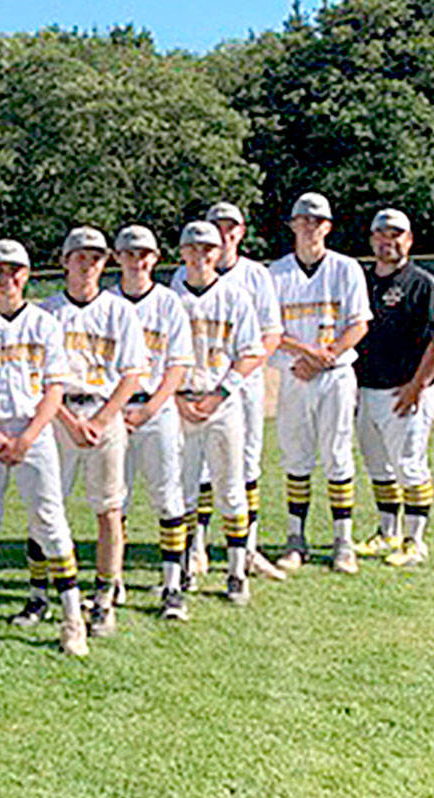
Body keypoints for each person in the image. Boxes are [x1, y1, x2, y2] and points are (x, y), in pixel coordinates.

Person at [0, 239, 84, 656]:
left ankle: (72, 619)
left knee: (50, 521)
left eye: (14, 270)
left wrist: (28, 436)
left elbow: (55, 387)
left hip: (36, 431)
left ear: (26, 275)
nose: (6, 278)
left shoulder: (44, 323)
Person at [40, 227, 147, 637]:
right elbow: (39, 376)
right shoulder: (48, 312)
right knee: (48, 507)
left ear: (106, 263)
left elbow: (132, 374)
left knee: (109, 509)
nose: (88, 265)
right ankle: (42, 592)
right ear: (65, 261)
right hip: (59, 414)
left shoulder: (119, 311)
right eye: (80, 257)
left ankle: (104, 596)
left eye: (96, 258)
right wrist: (67, 418)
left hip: (105, 415)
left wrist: (102, 420)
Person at [268, 193, 372, 574]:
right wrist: (308, 354)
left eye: (317, 221)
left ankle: (343, 541)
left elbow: (359, 323)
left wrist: (327, 355)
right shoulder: (275, 273)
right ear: (293, 225)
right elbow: (271, 329)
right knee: (296, 456)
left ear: (327, 226)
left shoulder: (346, 268)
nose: (309, 227)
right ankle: (296, 539)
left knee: (337, 455)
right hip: (295, 374)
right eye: (303, 220)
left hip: (336, 375)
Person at [352, 208, 434, 567]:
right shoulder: (360, 281)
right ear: (371, 240)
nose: (388, 241)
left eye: (396, 234)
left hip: (405, 391)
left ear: (408, 240)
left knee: (410, 466)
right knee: (378, 466)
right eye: (381, 234)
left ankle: (415, 540)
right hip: (367, 389)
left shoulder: (423, 284)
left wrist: (417, 386)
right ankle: (386, 532)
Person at [170, 222, 265, 611]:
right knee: (184, 491)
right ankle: (188, 564)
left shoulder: (235, 296)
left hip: (221, 403)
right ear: (182, 253)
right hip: (179, 404)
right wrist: (175, 398)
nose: (201, 253)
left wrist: (220, 393)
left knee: (230, 488)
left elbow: (252, 351)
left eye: (207, 247)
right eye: (193, 247)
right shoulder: (169, 297)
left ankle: (236, 570)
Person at [196, 202, 287, 583]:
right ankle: (195, 546)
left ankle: (247, 548)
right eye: (217, 225)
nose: (224, 231)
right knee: (198, 464)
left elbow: (272, 333)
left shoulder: (255, 275)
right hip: (198, 386)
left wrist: (240, 371)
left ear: (241, 231)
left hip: (243, 386)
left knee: (247, 465)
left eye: (231, 225)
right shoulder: (187, 276)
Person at [109, 225, 193, 618]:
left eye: (144, 254)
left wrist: (151, 407)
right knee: (115, 499)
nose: (137, 260)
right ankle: (114, 580)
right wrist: (114, 411)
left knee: (167, 497)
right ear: (117, 257)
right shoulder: (105, 303)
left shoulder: (169, 302)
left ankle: (173, 585)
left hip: (156, 409)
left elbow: (178, 365)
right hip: (113, 412)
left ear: (156, 258)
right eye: (129, 253)